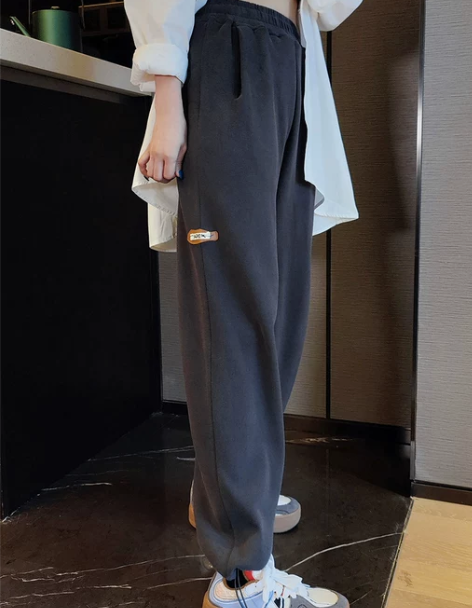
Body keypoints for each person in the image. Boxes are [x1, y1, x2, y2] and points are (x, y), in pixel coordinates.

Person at [124, 0, 362, 606]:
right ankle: (242, 578)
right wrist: (168, 94)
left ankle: (235, 491)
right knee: (231, 313)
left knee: (279, 314)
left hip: (290, 57)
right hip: (226, 49)